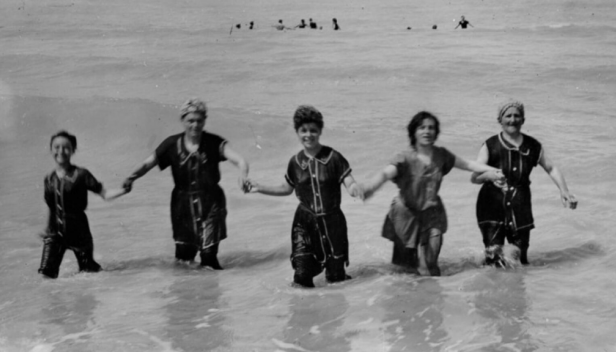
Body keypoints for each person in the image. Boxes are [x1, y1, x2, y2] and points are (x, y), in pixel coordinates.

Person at [360, 111, 504, 276]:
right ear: (413, 132)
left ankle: (434, 295)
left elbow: (469, 165)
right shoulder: (404, 157)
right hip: (405, 214)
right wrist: (371, 187)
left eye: (431, 128)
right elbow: (386, 173)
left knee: (430, 265)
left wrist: (494, 171)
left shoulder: (441, 155)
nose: (427, 131)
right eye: (422, 128)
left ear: (436, 132)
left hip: (433, 213)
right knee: (405, 269)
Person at [122, 99, 249, 270]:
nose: (195, 125)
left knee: (208, 256)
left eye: (199, 120)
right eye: (190, 120)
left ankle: (213, 293)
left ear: (204, 120)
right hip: (182, 204)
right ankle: (185, 293)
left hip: (212, 202)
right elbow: (147, 164)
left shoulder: (214, 142)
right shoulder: (171, 144)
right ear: (182, 121)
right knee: (184, 258)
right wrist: (131, 178)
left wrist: (243, 175)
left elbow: (240, 160)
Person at [246, 106, 363, 288]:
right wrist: (259, 188)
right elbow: (286, 188)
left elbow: (349, 182)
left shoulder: (334, 158)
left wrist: (355, 188)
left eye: (313, 130)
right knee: (301, 275)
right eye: (303, 130)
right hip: (304, 223)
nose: (308, 135)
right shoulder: (295, 162)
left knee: (335, 279)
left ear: (320, 131)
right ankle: (304, 311)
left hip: (333, 224)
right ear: (297, 132)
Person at [471, 100, 578, 265]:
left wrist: (564, 191)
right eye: (508, 116)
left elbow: (551, 168)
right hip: (491, 206)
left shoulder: (533, 146)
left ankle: (517, 288)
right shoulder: (490, 145)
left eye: (517, 116)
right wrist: (490, 175)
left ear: (523, 120)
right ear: (500, 120)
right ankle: (492, 287)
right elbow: (474, 177)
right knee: (494, 257)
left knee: (519, 258)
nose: (512, 120)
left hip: (520, 205)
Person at [39, 131, 130, 279]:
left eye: (66, 147)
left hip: (79, 231)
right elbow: (52, 208)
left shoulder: (82, 174)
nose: (61, 151)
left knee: (89, 273)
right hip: (55, 233)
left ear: (73, 150)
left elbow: (105, 194)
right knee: (47, 277)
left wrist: (124, 190)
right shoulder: (49, 179)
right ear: (51, 150)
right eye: (56, 147)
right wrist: (46, 230)